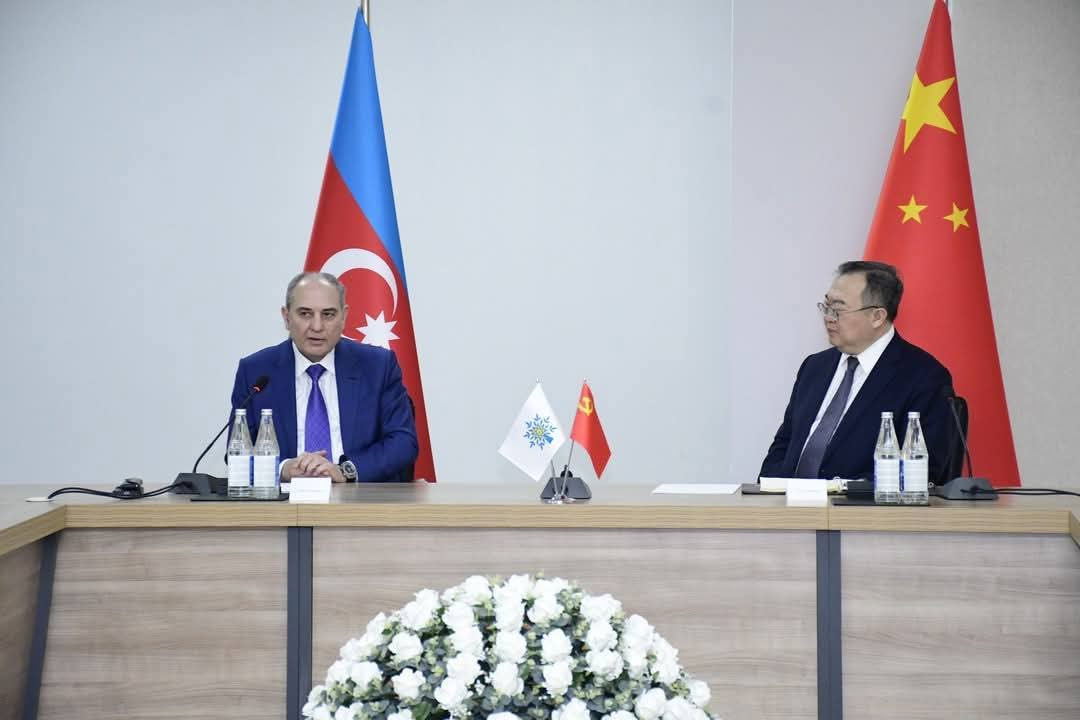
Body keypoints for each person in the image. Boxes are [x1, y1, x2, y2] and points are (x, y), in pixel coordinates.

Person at [760, 260, 952, 483]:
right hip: (789, 501)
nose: (828, 317)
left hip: (859, 504)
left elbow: (918, 469)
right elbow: (784, 443)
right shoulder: (814, 367)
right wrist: (768, 488)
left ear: (877, 317)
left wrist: (843, 491)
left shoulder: (923, 377)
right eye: (826, 306)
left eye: (838, 309)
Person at [230, 272, 418, 482]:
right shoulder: (255, 372)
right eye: (305, 314)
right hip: (286, 499)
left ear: (344, 317)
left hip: (358, 497)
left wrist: (346, 471)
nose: (317, 326)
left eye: (328, 314)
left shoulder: (378, 367)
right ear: (286, 317)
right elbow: (237, 453)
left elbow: (403, 442)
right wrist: (282, 468)